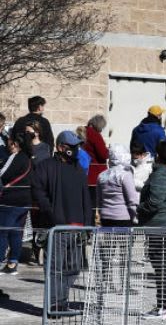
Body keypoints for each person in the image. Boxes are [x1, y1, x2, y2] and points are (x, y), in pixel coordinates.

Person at [32, 131, 92, 312]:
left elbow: (86, 199)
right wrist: (50, 211)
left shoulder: (79, 169)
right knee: (55, 269)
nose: (76, 150)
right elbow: (37, 190)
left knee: (73, 268)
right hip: (56, 228)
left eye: (77, 147)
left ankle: (61, 301)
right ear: (61, 147)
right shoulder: (46, 166)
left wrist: (88, 225)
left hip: (77, 229)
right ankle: (54, 304)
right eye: (72, 147)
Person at [136, 140, 166, 319]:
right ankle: (165, 305)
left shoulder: (161, 174)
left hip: (161, 227)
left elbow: (155, 202)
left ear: (158, 155)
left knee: (163, 268)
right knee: (165, 267)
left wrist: (139, 208)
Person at [0, 131, 33, 274]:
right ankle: (13, 263)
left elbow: (4, 174)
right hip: (24, 201)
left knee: (2, 232)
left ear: (14, 143)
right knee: (16, 232)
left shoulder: (16, 157)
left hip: (10, 201)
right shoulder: (27, 158)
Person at [96, 144, 138, 228]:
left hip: (105, 217)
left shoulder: (101, 176)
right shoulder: (125, 175)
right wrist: (135, 217)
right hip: (123, 217)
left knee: (108, 241)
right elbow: (132, 200)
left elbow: (99, 200)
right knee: (123, 241)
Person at [81, 115, 109, 194]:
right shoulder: (95, 135)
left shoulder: (82, 131)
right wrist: (108, 151)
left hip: (82, 169)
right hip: (95, 171)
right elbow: (103, 154)